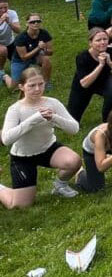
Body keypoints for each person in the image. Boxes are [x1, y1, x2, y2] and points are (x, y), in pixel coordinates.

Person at [1, 68, 82, 207]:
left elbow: (74, 129)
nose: (37, 89)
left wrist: (54, 118)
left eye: (41, 84)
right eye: (32, 85)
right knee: (19, 205)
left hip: (48, 148)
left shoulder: (52, 103)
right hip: (23, 157)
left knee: (74, 161)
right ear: (22, 87)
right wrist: (34, 119)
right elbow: (6, 139)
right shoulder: (15, 109)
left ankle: (60, 185)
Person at [68, 28, 112, 123]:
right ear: (90, 43)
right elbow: (84, 84)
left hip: (104, 81)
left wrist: (110, 63)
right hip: (86, 82)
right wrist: (101, 65)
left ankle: (107, 122)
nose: (103, 42)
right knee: (72, 120)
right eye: (98, 40)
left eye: (105, 39)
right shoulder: (82, 57)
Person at [10, 12, 53, 86]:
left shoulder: (44, 33)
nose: (36, 23)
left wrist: (45, 49)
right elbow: (24, 57)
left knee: (46, 60)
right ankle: (4, 77)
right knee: (14, 87)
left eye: (38, 21)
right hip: (20, 60)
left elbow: (51, 52)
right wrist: (38, 48)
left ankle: (46, 83)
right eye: (32, 22)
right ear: (27, 23)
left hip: (36, 56)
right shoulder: (21, 38)